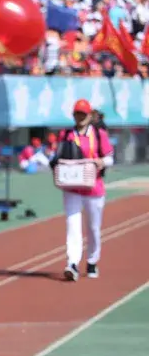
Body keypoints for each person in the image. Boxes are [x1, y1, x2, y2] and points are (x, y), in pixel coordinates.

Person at [52, 100, 113, 281]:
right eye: (77, 113)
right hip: (72, 187)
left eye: (83, 114)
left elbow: (110, 158)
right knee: (73, 225)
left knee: (93, 228)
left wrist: (101, 162)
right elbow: (57, 155)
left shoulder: (99, 134)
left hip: (94, 187)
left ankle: (92, 260)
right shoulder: (66, 134)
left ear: (89, 115)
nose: (80, 117)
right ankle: (72, 263)